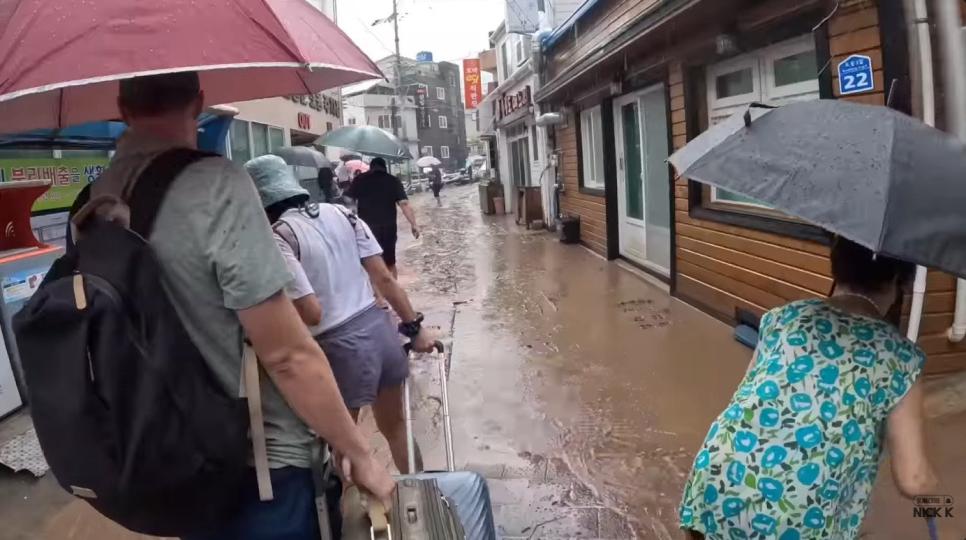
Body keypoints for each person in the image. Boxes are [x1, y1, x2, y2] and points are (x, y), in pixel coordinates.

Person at [90, 72, 393, 539]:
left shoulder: (96, 200)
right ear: (200, 103)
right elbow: (286, 354)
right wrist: (357, 449)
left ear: (123, 108)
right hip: (260, 470)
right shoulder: (216, 184)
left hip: (168, 455)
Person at [679, 237, 937, 540]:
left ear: (837, 266)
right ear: (897, 280)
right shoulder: (902, 358)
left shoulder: (782, 318)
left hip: (714, 481)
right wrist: (934, 487)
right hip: (796, 518)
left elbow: (743, 398)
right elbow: (912, 479)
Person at [244, 155, 435, 474]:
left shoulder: (278, 237)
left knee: (346, 446)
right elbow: (385, 280)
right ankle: (420, 500)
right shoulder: (342, 214)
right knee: (397, 428)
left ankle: (354, 518)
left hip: (342, 348)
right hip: (381, 332)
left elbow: (312, 313)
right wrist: (415, 330)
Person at [347, 157, 419, 277]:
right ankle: (393, 292)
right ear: (385, 168)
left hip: (366, 230)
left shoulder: (359, 180)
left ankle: (377, 294)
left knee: (369, 264)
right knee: (390, 264)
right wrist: (414, 224)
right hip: (388, 229)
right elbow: (404, 204)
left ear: (371, 167)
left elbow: (348, 202)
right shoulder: (393, 181)